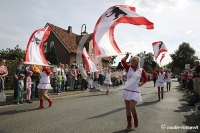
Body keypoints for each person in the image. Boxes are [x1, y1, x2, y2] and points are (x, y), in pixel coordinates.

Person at [121, 53, 147, 130]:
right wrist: (127, 56)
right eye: (131, 60)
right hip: (127, 89)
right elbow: (123, 61)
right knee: (127, 107)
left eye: (133, 60)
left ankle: (135, 118)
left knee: (132, 107)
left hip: (135, 90)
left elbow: (145, 78)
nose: (131, 61)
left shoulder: (141, 70)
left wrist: (142, 83)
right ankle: (129, 124)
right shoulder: (128, 67)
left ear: (137, 62)